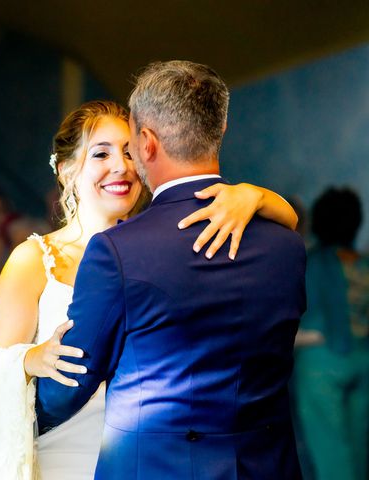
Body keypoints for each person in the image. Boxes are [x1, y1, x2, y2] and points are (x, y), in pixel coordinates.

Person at [0, 93, 300, 479]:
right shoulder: (33, 260)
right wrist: (28, 359)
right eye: (101, 154)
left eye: (129, 152)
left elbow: (287, 224)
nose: (120, 167)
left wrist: (255, 195)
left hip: (150, 460)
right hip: (62, 455)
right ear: (66, 171)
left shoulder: (157, 249)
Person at [34, 62, 306, 479]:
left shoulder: (117, 251)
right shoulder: (286, 243)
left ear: (146, 142)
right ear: (222, 129)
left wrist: (19, 406)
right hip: (266, 466)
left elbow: (69, 387)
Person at [294, 187, 369, 480]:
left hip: (320, 364)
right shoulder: (363, 264)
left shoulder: (309, 261)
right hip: (363, 360)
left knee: (330, 457)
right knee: (360, 452)